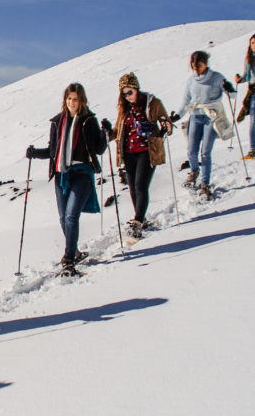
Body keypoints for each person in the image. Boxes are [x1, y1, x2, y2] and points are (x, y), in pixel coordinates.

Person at [27, 83, 107, 275]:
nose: (72, 102)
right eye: (69, 99)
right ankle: (75, 252)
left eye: (75, 99)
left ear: (82, 101)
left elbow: (99, 149)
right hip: (61, 174)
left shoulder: (89, 121)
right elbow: (53, 150)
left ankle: (69, 258)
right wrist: (35, 153)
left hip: (82, 173)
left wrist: (105, 132)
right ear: (65, 100)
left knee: (71, 216)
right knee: (63, 218)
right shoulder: (57, 122)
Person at [102, 72, 172, 239]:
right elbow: (118, 131)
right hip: (128, 153)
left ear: (136, 89)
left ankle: (138, 221)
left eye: (130, 92)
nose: (127, 97)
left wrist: (165, 125)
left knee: (140, 185)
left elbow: (166, 121)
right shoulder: (124, 109)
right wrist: (105, 132)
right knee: (133, 187)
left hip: (147, 151)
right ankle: (140, 218)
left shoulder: (152, 103)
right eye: (124, 94)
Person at [174, 51, 235, 200]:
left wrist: (229, 88)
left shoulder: (216, 77)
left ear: (205, 63)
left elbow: (232, 96)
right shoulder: (191, 81)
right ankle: (194, 171)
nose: (197, 69)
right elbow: (186, 101)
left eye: (199, 66)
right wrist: (177, 115)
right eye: (194, 66)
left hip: (211, 117)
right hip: (195, 116)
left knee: (206, 152)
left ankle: (205, 184)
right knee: (191, 151)